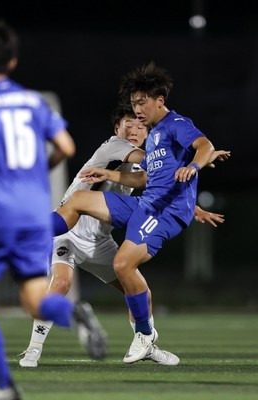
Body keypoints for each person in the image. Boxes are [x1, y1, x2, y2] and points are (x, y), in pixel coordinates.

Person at [0, 19, 104, 400]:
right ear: (12, 62)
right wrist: (38, 171)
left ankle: (5, 387)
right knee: (33, 298)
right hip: (34, 214)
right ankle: (74, 313)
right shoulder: (33, 102)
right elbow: (66, 146)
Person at [19, 104, 229, 367]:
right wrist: (199, 157)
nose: (134, 129)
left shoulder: (147, 160)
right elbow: (154, 161)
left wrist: (193, 207)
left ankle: (146, 343)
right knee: (61, 284)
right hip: (69, 232)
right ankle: (33, 350)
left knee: (138, 290)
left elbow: (154, 184)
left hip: (101, 241)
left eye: (140, 126)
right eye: (127, 124)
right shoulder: (114, 146)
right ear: (116, 128)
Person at [49, 62, 216, 363]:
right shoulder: (153, 137)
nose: (137, 109)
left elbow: (204, 145)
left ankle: (145, 336)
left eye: (141, 103)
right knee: (79, 200)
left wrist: (194, 166)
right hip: (145, 204)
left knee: (123, 263)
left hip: (164, 212)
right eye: (133, 103)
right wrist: (109, 175)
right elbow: (144, 179)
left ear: (159, 101)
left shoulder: (176, 124)